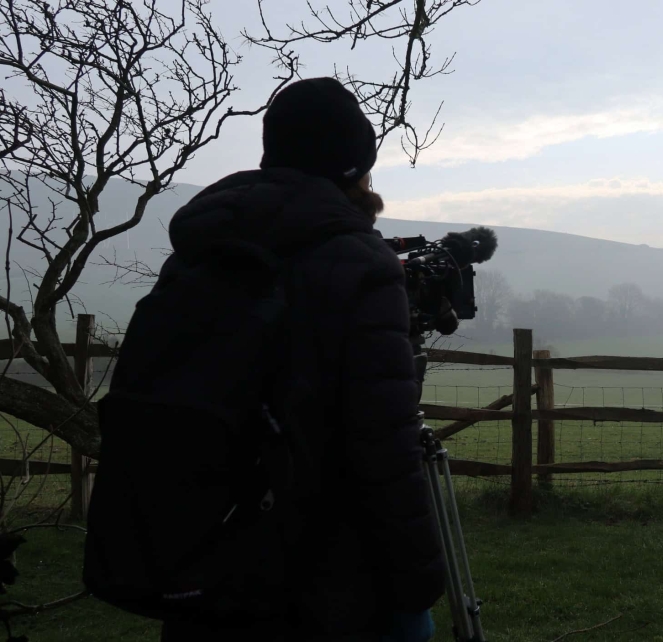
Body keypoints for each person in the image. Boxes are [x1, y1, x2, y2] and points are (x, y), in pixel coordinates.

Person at [91, 78, 444, 641]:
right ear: (355, 167)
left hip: (204, 564)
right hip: (321, 582)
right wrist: (416, 589)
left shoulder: (202, 251)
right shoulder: (361, 263)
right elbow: (384, 448)